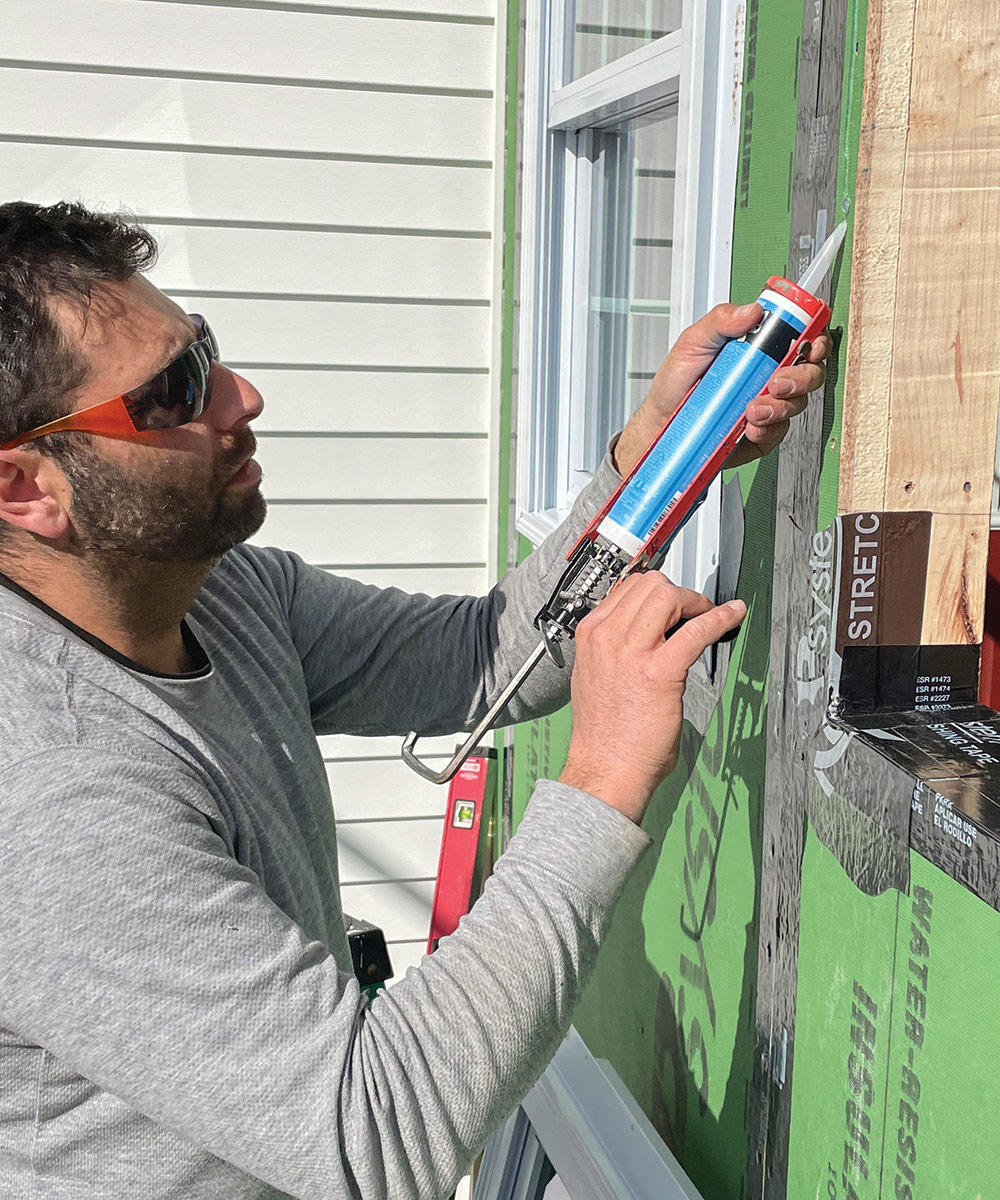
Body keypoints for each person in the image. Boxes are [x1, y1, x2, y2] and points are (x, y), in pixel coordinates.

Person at [0, 201, 829, 1199]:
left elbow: (485, 653)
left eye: (205, 351)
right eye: (175, 391)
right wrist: (604, 777)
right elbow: (377, 1138)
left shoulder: (227, 595)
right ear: (25, 491)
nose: (242, 396)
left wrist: (655, 459)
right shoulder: (47, 789)